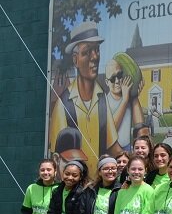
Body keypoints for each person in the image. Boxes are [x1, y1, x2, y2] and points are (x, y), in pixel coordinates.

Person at [49, 22, 122, 173]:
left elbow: (113, 146)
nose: (94, 57)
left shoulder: (102, 98)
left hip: (98, 188)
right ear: (75, 60)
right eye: (87, 52)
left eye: (97, 50)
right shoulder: (64, 105)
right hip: (76, 186)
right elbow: (58, 157)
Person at [104, 54, 145, 151]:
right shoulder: (104, 102)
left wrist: (134, 96)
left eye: (119, 75)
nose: (117, 81)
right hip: (110, 151)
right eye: (113, 79)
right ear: (107, 82)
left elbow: (140, 127)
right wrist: (124, 101)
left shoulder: (129, 97)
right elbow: (110, 131)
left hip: (127, 149)